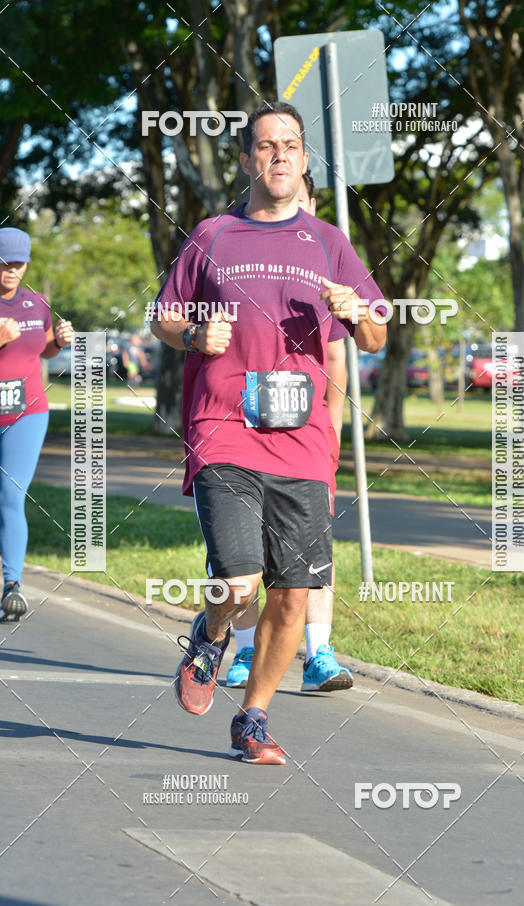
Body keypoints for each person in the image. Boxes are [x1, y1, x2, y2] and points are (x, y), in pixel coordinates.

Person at [151, 101, 386, 765]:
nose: (279, 155)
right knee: (238, 580)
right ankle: (211, 631)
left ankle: (252, 719)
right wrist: (194, 334)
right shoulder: (212, 236)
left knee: (293, 596)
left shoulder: (330, 243)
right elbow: (163, 320)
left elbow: (376, 335)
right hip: (223, 428)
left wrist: (357, 309)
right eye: (265, 145)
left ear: (304, 160)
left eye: (290, 145)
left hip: (304, 443)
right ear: (248, 159)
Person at [226, 169, 352, 693]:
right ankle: (243, 648)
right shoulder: (233, 251)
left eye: (304, 202)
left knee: (310, 555)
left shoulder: (328, 262)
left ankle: (319, 653)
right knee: (243, 561)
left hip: (307, 440)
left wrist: (333, 434)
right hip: (241, 433)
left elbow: (340, 363)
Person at [0, 227, 74, 621]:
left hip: (26, 413)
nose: (12, 270)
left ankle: (12, 586)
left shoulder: (36, 303)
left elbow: (42, 349)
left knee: (11, 496)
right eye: (4, 263)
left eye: (19, 263)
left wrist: (59, 342)